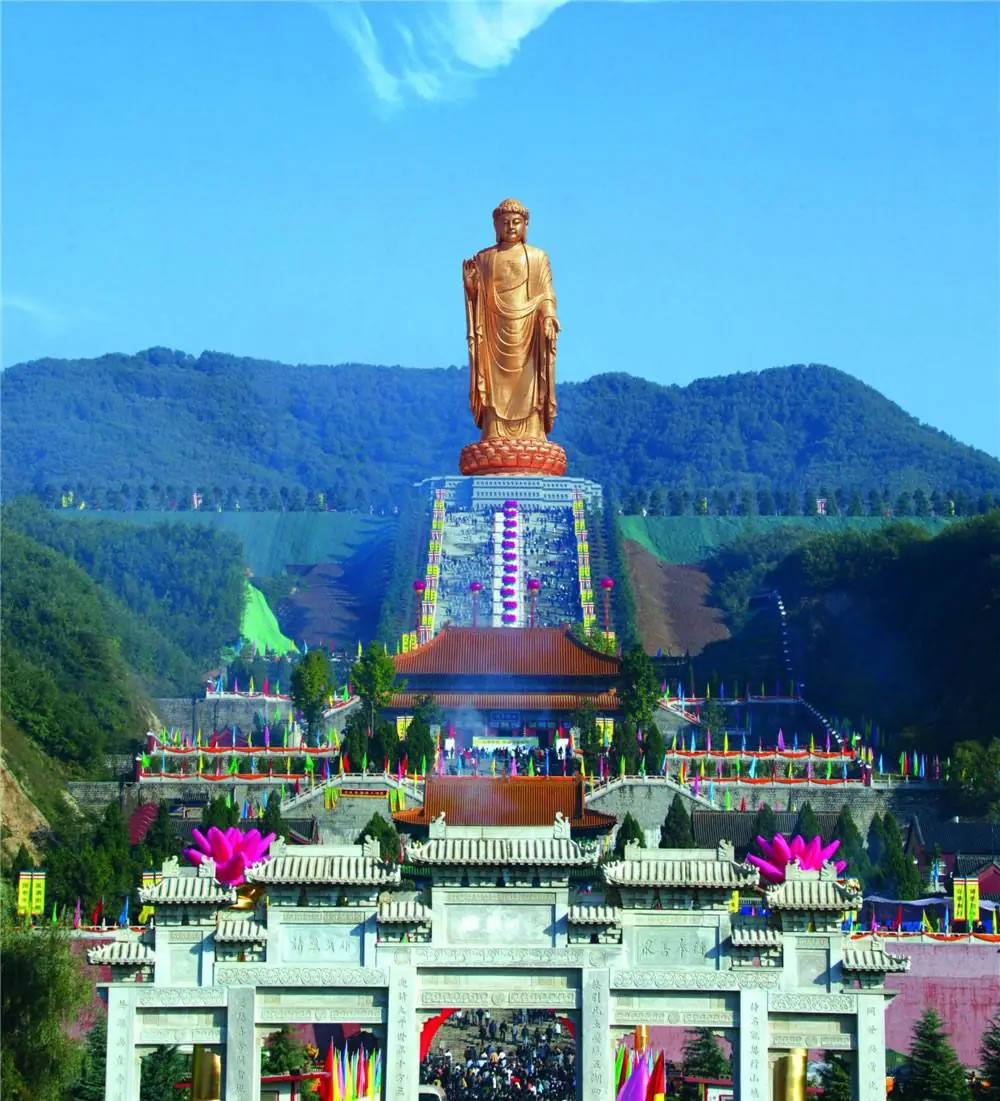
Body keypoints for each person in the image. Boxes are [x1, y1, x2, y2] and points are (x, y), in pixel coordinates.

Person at [463, 199, 560, 444]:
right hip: (493, 332)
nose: (511, 227)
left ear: (526, 225)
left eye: (517, 222)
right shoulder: (485, 258)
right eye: (505, 222)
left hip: (530, 333)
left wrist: (549, 316)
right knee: (494, 385)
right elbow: (477, 297)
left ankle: (533, 430)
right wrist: (471, 286)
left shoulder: (538, 257)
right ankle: (494, 429)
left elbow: (546, 294)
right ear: (495, 226)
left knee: (530, 382)